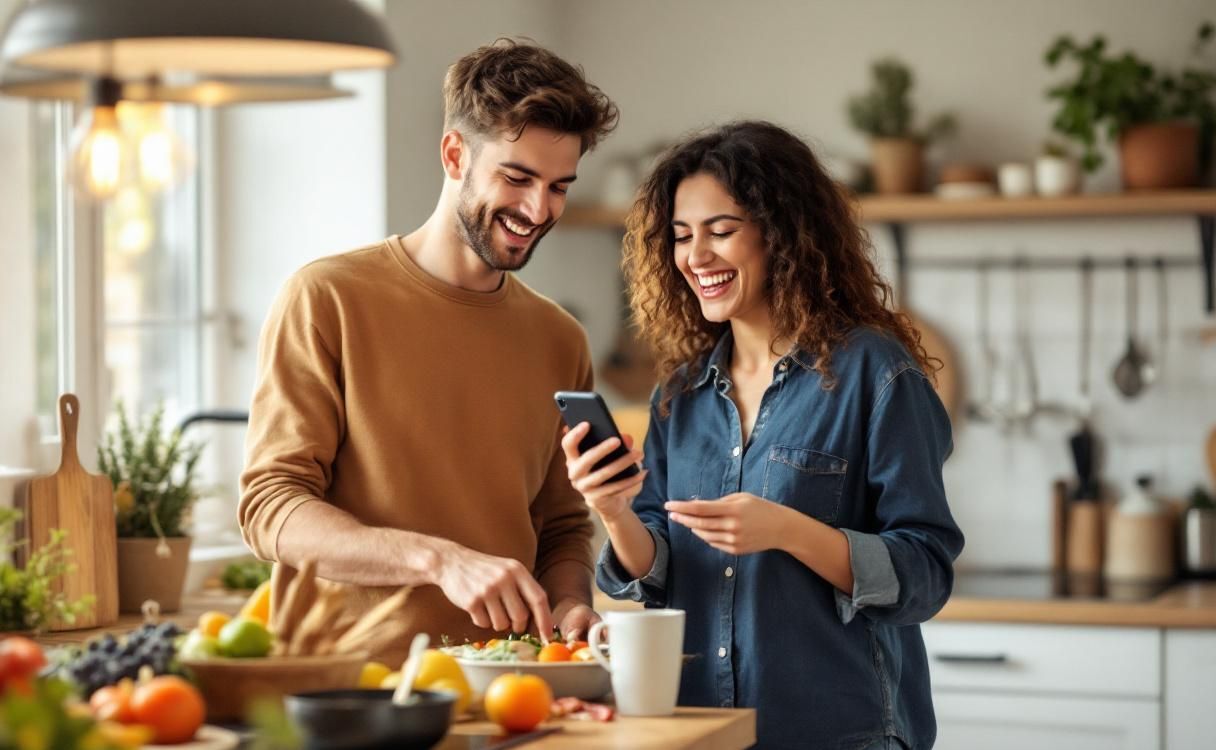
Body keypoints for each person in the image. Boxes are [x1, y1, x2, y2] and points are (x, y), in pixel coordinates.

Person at [562, 121, 964, 750]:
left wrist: (788, 531)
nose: (697, 257)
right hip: (705, 731)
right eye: (682, 236)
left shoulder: (875, 373)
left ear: (783, 236)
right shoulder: (681, 395)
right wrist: (612, 511)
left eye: (721, 232)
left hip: (839, 732)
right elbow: (659, 571)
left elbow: (926, 572)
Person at [239, 39, 618, 665]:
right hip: (348, 691)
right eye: (517, 177)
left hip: (510, 692)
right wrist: (439, 560)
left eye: (558, 187)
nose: (537, 209)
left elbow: (560, 527)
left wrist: (572, 603)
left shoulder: (559, 337)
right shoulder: (328, 298)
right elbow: (271, 508)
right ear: (453, 154)